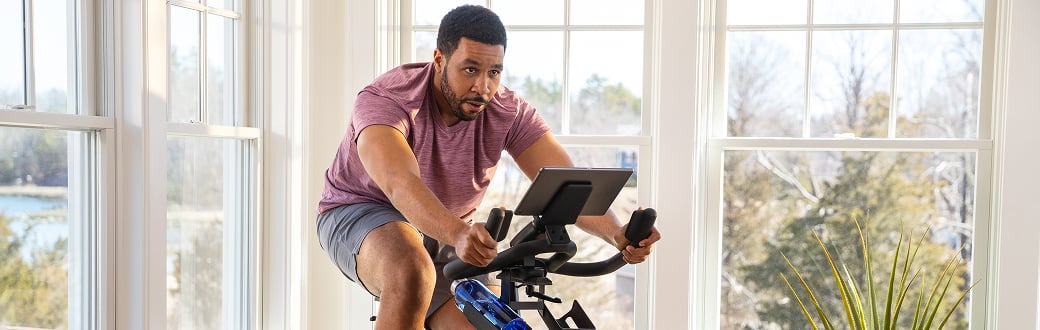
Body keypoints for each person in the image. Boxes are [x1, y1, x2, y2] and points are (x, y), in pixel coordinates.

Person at [316, 4, 661, 330]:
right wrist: (458, 234)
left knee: (491, 320)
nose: (483, 87)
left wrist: (617, 233)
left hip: (450, 228)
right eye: (470, 70)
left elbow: (568, 185)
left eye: (493, 72)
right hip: (362, 210)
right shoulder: (388, 99)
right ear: (439, 60)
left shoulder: (507, 110)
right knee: (411, 270)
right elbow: (398, 181)